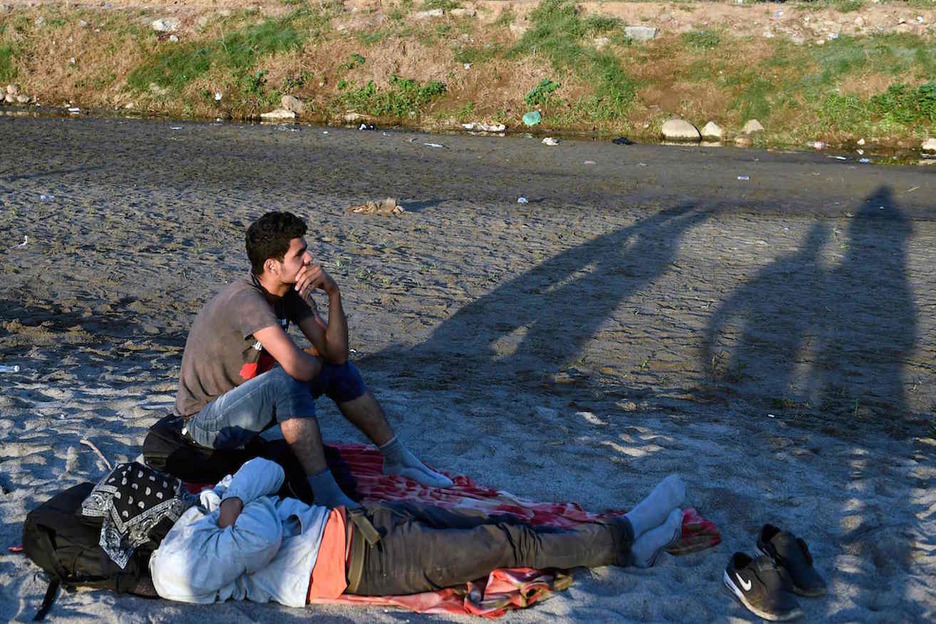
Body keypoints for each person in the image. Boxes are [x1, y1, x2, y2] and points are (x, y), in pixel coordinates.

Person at [174, 211, 451, 509]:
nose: (309, 259)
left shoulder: (288, 294)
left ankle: (397, 458)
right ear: (272, 265)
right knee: (287, 380)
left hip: (242, 408)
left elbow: (337, 354)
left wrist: (333, 293)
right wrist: (306, 361)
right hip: (202, 424)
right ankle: (326, 493)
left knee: (337, 370)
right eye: (300, 253)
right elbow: (297, 368)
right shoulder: (248, 301)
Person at [149, 458, 688, 606]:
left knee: (492, 522)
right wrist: (238, 504)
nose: (170, 493)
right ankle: (624, 536)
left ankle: (623, 546)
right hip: (356, 564)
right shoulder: (175, 567)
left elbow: (268, 470)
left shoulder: (202, 510)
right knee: (502, 545)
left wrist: (230, 501)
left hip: (354, 523)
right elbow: (263, 535)